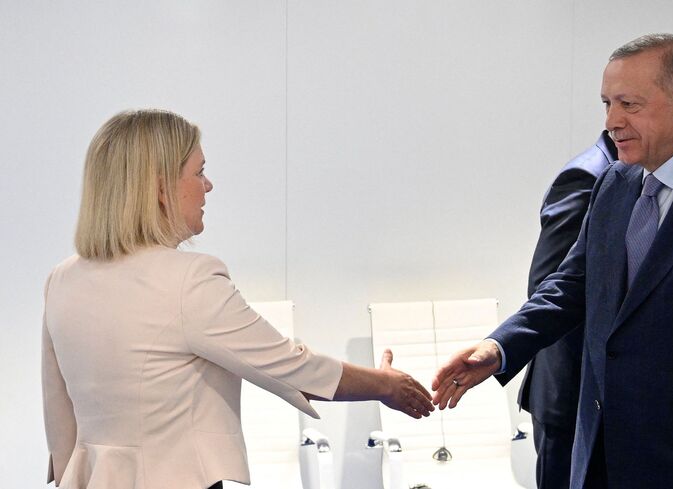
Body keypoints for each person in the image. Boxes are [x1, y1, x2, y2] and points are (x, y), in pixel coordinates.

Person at [432, 33, 673, 489]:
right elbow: (572, 284)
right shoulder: (615, 181)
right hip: (598, 458)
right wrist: (499, 349)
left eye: (629, 104)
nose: (612, 121)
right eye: (606, 104)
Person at [42, 110, 434, 489]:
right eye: (198, 172)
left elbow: (58, 408)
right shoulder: (188, 280)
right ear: (160, 188)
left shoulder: (62, 279)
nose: (208, 185)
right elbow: (292, 367)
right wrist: (385, 385)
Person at [516, 132, 616, 489]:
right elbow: (549, 286)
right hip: (572, 396)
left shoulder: (632, 174)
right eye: (612, 104)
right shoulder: (588, 177)